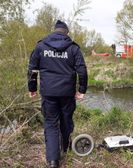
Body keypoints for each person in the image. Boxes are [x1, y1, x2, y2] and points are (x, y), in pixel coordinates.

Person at [28, 20, 88, 168]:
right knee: (66, 119)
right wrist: (81, 90)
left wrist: (32, 88)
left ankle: (53, 161)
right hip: (67, 93)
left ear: (54, 31)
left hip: (48, 93)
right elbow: (82, 70)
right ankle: (65, 147)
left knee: (51, 123)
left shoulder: (41, 46)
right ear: (66, 32)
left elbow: (32, 70)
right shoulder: (73, 48)